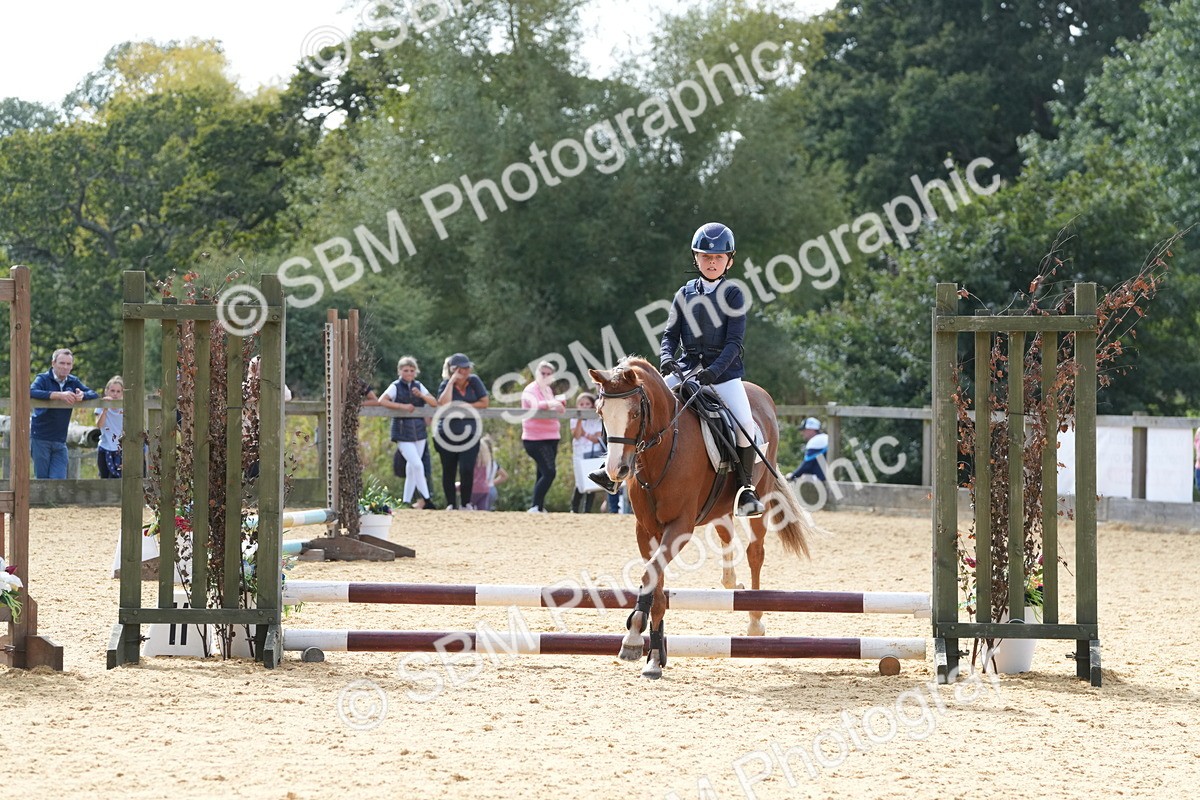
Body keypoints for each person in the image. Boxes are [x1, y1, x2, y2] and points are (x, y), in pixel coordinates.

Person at [591, 222, 764, 517]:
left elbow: (735, 343)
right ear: (695, 258)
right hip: (685, 370)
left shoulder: (734, 294)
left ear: (729, 261)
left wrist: (714, 371)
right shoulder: (684, 293)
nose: (712, 263)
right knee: (637, 404)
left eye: (718, 258)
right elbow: (670, 335)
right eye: (705, 257)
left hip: (723, 374)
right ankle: (612, 470)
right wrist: (667, 359)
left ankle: (746, 489)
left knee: (746, 427)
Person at [379, 356, 439, 508]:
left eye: (412, 370)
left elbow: (433, 402)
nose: (409, 373)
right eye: (406, 370)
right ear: (400, 371)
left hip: (419, 431)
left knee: (412, 468)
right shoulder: (395, 386)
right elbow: (382, 401)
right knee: (418, 466)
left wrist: (421, 395)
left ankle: (405, 501)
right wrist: (402, 406)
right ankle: (427, 499)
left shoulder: (418, 386)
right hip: (402, 431)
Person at [30, 348, 98, 479]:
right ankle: (44, 501)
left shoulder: (73, 381)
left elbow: (93, 393)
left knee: (59, 480)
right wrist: (58, 395)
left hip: (61, 439)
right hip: (41, 437)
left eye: (68, 364)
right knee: (42, 480)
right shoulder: (43, 378)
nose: (65, 367)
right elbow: (31, 392)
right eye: (62, 363)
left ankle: (54, 501)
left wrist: (82, 395)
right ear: (53, 363)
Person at [436, 353, 489, 510]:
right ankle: (451, 503)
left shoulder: (474, 381)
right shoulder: (445, 384)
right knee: (449, 469)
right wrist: (451, 382)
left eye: (467, 368)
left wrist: (465, 406)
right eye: (461, 368)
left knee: (467, 468)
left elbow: (484, 402)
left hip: (470, 433)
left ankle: (466, 502)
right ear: (453, 369)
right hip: (446, 434)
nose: (465, 371)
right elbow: (444, 403)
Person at [521, 360, 566, 513]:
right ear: (537, 374)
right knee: (549, 472)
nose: (545, 376)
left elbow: (558, 409)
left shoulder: (548, 390)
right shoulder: (530, 389)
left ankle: (538, 506)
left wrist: (557, 402)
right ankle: (534, 505)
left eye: (549, 374)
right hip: (534, 438)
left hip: (552, 436)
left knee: (541, 472)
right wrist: (554, 403)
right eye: (543, 373)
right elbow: (535, 404)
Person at [570, 392, 604, 513]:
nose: (584, 406)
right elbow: (576, 435)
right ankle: (574, 509)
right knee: (580, 481)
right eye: (581, 404)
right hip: (579, 453)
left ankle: (587, 510)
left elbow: (597, 439)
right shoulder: (574, 419)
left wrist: (585, 433)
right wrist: (580, 421)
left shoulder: (597, 420)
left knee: (591, 483)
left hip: (593, 454)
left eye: (587, 404)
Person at [95, 376, 125, 479]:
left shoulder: (125, 407)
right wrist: (105, 409)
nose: (115, 394)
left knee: (119, 479)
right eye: (112, 391)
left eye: (118, 391)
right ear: (107, 391)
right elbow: (99, 425)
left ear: (122, 393)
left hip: (120, 448)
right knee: (104, 478)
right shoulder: (101, 405)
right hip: (105, 447)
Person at [471, 434, 509, 511]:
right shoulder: (494, 463)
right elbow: (504, 476)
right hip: (492, 489)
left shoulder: (480, 462)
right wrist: (492, 482)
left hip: (480, 488)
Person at [788, 417, 830, 482]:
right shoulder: (825, 437)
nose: (802, 433)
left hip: (822, 480)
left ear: (811, 430)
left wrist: (793, 475)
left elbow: (807, 465)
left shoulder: (816, 441)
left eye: (804, 430)